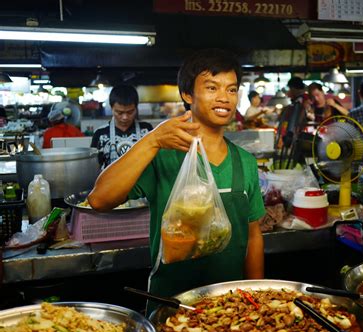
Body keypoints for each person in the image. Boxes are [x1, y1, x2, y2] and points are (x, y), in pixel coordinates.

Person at [88, 49, 266, 311]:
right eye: (212, 87)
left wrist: (257, 300)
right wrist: (153, 140)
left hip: (231, 306)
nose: (224, 98)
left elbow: (253, 237)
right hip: (170, 304)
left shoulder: (245, 162)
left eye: (231, 89)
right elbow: (99, 200)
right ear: (187, 94)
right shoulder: (162, 155)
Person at [91, 85, 153, 170]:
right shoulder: (100, 134)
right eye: (119, 112)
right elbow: (94, 167)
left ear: (136, 108)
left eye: (130, 112)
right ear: (111, 108)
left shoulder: (147, 130)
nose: (125, 117)